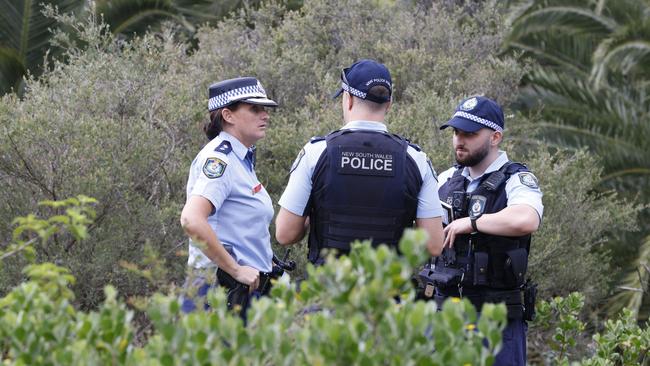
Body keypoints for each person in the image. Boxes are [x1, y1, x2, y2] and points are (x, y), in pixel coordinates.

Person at [275, 59, 444, 264]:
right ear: (389, 104)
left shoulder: (315, 153)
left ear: (348, 99)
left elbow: (285, 234)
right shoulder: (416, 159)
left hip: (330, 288)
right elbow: (434, 245)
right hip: (390, 289)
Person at [433, 96, 543, 366]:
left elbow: (527, 218)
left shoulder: (516, 179)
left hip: (496, 320)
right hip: (446, 314)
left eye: (470, 134)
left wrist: (472, 222)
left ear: (495, 137)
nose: (460, 140)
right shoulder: (447, 179)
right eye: (457, 132)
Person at [179, 77, 278, 317]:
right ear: (228, 115)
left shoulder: (239, 158)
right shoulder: (220, 160)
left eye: (265, 109)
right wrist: (235, 269)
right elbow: (191, 220)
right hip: (218, 291)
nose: (264, 115)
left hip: (237, 292)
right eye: (254, 109)